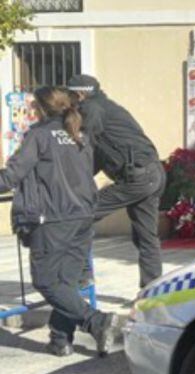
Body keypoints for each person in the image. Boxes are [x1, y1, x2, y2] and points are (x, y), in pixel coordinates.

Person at [0, 87, 117, 357]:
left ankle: (97, 321)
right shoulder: (80, 134)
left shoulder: (39, 135)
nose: (30, 111)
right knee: (66, 282)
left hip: (53, 219)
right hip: (83, 216)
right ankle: (60, 339)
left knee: (46, 282)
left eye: (33, 106)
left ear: (42, 108)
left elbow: (12, 175)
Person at [67, 74, 164, 288]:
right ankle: (153, 291)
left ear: (80, 94)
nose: (70, 102)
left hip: (137, 177)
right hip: (151, 173)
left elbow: (83, 145)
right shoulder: (108, 108)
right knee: (146, 238)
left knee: (79, 215)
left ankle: (83, 276)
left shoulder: (91, 109)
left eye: (71, 96)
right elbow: (100, 156)